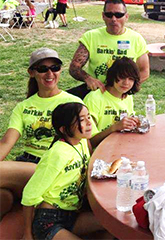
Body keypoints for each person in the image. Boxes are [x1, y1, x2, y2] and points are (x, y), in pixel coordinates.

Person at [0, 48, 93, 220]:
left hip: (54, 166)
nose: (50, 73)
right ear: (32, 73)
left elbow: (85, 146)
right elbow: (7, 143)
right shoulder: (23, 107)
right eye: (43, 69)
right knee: (3, 197)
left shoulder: (72, 103)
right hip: (28, 164)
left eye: (55, 67)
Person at [22, 102, 108, 240]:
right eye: (81, 120)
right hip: (48, 220)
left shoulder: (83, 142)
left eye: (88, 116)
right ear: (64, 129)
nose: (89, 122)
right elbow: (28, 196)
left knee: (111, 226)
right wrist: (27, 234)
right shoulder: (57, 154)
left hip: (72, 214)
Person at [68, 0, 149, 99]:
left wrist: (124, 87)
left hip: (120, 96)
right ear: (103, 16)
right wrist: (88, 78)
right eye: (109, 15)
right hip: (95, 93)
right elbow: (74, 68)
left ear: (126, 17)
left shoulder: (137, 39)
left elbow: (144, 71)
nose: (114, 19)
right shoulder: (91, 37)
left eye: (119, 15)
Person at [84, 57, 141, 147]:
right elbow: (89, 142)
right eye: (122, 77)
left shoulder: (128, 98)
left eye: (131, 79)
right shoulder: (94, 98)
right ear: (112, 76)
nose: (126, 83)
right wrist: (114, 127)